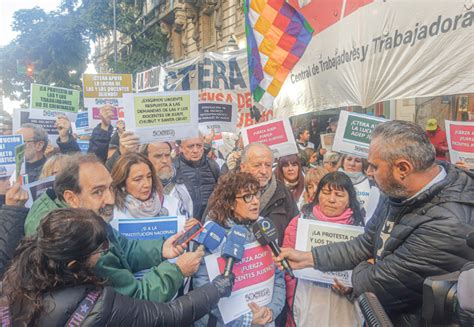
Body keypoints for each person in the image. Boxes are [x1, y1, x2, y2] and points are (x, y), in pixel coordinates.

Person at [274, 120, 474, 325]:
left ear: (403, 168)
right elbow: (366, 243)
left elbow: (375, 285)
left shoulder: (448, 223)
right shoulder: (398, 190)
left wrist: (368, 267)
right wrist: (309, 258)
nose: (368, 172)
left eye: (374, 166)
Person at [1, 208, 235, 326]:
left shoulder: (12, 283)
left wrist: (160, 250)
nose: (106, 252)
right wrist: (218, 287)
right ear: (74, 264)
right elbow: (169, 315)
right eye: (100, 249)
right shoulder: (96, 303)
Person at [23, 153, 202, 303]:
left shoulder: (88, 215)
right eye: (98, 191)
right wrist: (177, 271)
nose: (110, 199)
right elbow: (134, 299)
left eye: (110, 188)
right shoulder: (80, 244)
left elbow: (124, 247)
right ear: (71, 198)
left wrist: (161, 248)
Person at [193, 172, 285, 327]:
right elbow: (203, 289)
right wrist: (246, 321)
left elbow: (278, 279)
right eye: (247, 197)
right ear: (230, 203)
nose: (256, 201)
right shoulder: (213, 234)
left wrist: (270, 312)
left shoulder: (265, 228)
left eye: (257, 194)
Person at [283, 172, 364, 327]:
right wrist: (293, 300)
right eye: (326, 193)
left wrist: (352, 289)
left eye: (339, 195)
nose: (331, 199)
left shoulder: (360, 228)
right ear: (317, 195)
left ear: (349, 200)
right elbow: (288, 270)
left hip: (345, 302)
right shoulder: (299, 223)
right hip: (306, 299)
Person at [239, 143, 299, 245]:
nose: (264, 171)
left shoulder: (283, 193)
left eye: (268, 165)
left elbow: (296, 230)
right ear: (243, 167)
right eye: (257, 165)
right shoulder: (226, 192)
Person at [140, 141, 193, 218]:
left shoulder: (182, 184)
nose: (165, 161)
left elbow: (189, 216)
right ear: (145, 159)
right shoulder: (136, 189)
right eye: (158, 156)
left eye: (167, 155)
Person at [174, 136, 220, 221]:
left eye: (199, 145)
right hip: (185, 225)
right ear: (181, 148)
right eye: (190, 146)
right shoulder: (174, 169)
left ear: (203, 146)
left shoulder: (213, 165)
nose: (195, 150)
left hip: (210, 224)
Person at [340, 154, 379, 220]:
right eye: (349, 159)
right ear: (343, 162)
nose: (352, 164)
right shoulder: (332, 180)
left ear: (363, 164)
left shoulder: (372, 184)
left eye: (357, 161)